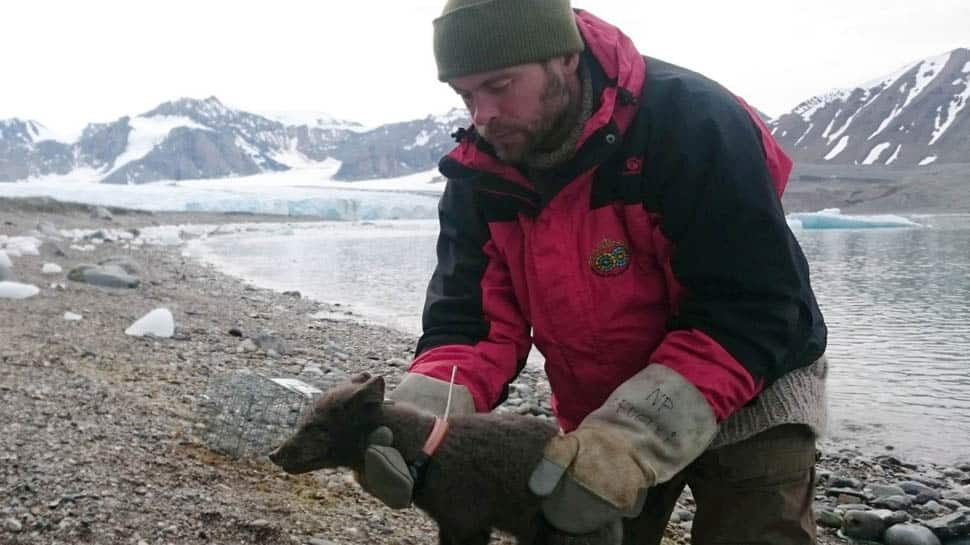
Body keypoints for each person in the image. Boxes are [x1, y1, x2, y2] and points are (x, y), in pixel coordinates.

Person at [362, 1, 828, 543]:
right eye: (466, 95)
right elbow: (471, 325)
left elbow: (750, 308)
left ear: (564, 56)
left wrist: (630, 440)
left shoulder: (693, 125)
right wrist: (417, 424)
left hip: (756, 386)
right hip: (604, 405)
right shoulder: (479, 174)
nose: (482, 115)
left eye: (500, 85)